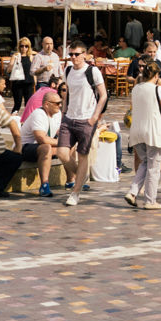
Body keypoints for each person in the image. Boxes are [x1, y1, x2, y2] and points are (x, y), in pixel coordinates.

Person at [58, 44, 108, 208]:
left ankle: (75, 193)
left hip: (86, 119)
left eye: (76, 54)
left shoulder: (92, 71)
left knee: (82, 155)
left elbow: (103, 95)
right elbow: (67, 93)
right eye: (70, 54)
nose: (73, 57)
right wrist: (63, 113)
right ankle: (81, 174)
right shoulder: (68, 71)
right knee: (62, 153)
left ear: (84, 54)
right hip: (69, 118)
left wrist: (95, 116)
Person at [123, 57, 161, 211]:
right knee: (154, 165)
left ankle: (132, 192)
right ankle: (150, 200)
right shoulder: (158, 89)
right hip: (153, 130)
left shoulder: (136, 88)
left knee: (145, 163)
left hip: (137, 130)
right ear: (156, 76)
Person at [22, 90, 67, 196]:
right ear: (47, 104)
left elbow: (59, 132)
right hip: (25, 147)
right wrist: (61, 143)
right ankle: (44, 185)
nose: (60, 105)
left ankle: (71, 180)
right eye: (57, 103)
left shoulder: (57, 114)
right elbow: (41, 139)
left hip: (44, 148)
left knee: (69, 146)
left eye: (60, 102)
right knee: (46, 147)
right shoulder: (39, 114)